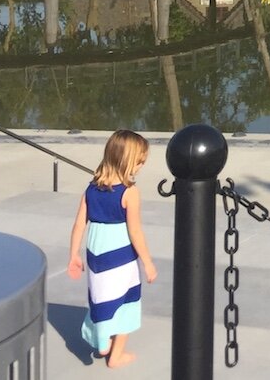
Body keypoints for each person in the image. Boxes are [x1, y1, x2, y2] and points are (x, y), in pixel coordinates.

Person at [68, 129, 158, 368]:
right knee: (126, 299)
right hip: (120, 254)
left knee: (102, 296)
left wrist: (73, 254)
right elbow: (135, 232)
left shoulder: (91, 188)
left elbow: (79, 224)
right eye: (139, 161)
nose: (141, 166)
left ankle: (102, 336)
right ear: (126, 161)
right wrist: (148, 262)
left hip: (97, 252)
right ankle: (113, 354)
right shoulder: (130, 193)